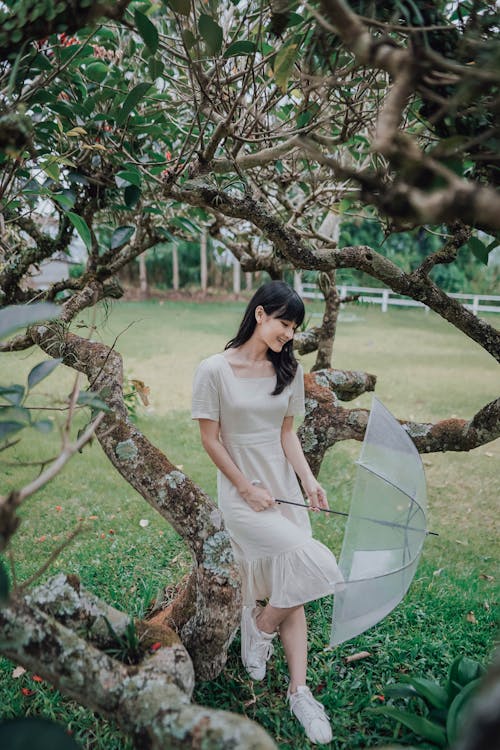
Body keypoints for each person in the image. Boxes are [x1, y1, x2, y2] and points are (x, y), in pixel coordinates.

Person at [191, 280, 343, 745]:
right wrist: (245, 488)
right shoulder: (214, 369)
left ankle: (298, 688)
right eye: (284, 323)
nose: (289, 335)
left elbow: (287, 435)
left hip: (282, 490)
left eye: (295, 327)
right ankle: (259, 627)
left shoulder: (289, 370)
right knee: (316, 562)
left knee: (292, 579)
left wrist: (309, 481)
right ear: (260, 314)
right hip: (242, 493)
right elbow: (210, 440)